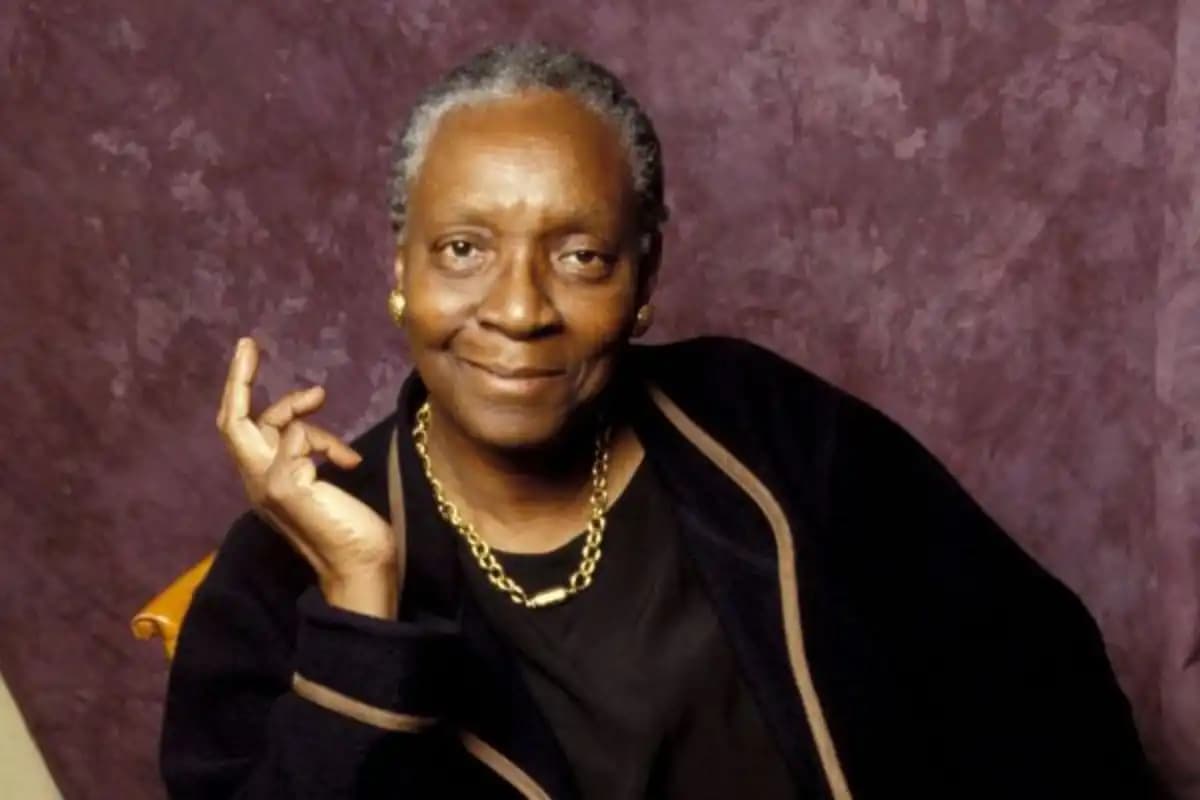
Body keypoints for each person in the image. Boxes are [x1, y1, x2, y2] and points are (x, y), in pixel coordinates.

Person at [161, 43, 1154, 799]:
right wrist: (360, 606)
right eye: (463, 248)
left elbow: (1040, 679)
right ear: (401, 273)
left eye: (581, 256)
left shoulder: (764, 425)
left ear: (643, 284)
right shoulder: (282, 570)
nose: (519, 308)